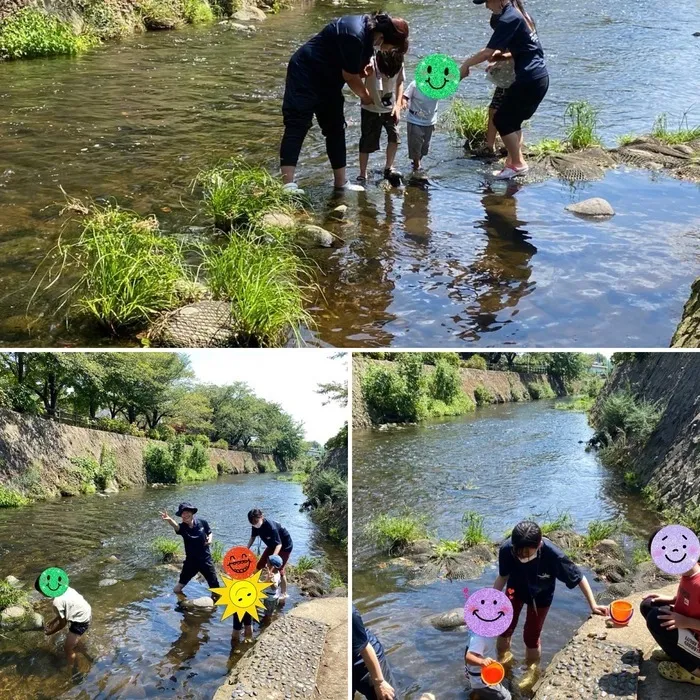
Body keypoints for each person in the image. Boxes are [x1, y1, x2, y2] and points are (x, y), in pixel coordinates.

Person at [280, 12, 409, 194]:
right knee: (297, 124)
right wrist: (365, 97)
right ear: (383, 37)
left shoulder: (368, 40)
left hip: (329, 80)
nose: (389, 51)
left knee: (335, 128)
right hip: (305, 74)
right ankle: (287, 185)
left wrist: (362, 72)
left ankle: (341, 183)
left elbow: (352, 70)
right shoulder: (354, 34)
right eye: (391, 46)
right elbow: (350, 77)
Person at [493, 521, 607, 691]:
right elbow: (503, 576)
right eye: (519, 551)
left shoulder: (553, 555)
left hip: (541, 595)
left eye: (527, 552)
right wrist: (490, 601)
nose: (522, 556)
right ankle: (503, 660)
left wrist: (593, 604)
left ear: (538, 545)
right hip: (514, 589)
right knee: (504, 626)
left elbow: (579, 577)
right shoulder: (507, 550)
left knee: (531, 636)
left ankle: (532, 670)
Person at [460, 0, 549, 179]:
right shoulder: (521, 15)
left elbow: (487, 52)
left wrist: (466, 65)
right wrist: (500, 56)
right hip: (538, 77)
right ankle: (512, 163)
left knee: (501, 120)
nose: (486, 6)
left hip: (528, 79)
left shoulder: (509, 17)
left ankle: (517, 164)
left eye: (486, 1)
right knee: (512, 121)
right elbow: (528, 48)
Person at [640, 527, 700, 686]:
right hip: (691, 631)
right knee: (648, 605)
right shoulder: (689, 574)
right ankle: (679, 653)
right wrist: (672, 599)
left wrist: (686, 622)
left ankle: (695, 671)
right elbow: (691, 601)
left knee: (655, 619)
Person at [357, 49, 406, 185]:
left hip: (390, 109)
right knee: (366, 141)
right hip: (370, 108)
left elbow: (400, 82)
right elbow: (355, 78)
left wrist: (397, 105)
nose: (388, 77)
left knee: (395, 137)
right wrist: (364, 95)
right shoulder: (371, 61)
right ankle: (362, 173)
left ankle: (389, 167)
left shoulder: (398, 61)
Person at [160, 502, 221, 600]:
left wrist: (210, 540)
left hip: (206, 561)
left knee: (216, 589)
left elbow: (209, 532)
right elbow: (176, 526)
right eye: (183, 513)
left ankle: (213, 608)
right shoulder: (182, 527)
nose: (185, 515)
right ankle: (181, 603)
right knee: (178, 588)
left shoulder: (202, 522)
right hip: (191, 562)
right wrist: (169, 519)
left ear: (192, 513)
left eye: (187, 512)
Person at [36, 577, 91, 666]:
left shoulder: (56, 602)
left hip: (80, 621)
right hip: (85, 611)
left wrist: (50, 632)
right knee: (73, 639)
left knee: (67, 648)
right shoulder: (66, 589)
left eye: (41, 592)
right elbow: (67, 607)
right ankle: (86, 655)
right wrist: (54, 620)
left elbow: (62, 624)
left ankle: (71, 669)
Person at [353, 605, 399, 700]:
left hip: (365, 657)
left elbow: (365, 648)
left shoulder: (350, 613)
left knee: (385, 696)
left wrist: (379, 682)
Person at [247, 508, 293, 600]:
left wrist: (273, 559)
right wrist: (246, 549)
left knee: (279, 569)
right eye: (252, 523)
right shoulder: (255, 525)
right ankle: (253, 584)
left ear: (261, 517)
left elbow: (279, 544)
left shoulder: (271, 527)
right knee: (260, 564)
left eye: (256, 521)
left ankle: (283, 593)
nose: (254, 524)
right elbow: (253, 537)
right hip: (272, 545)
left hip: (284, 546)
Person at [402, 77, 439, 177]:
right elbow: (405, 96)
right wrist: (404, 102)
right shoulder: (415, 84)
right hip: (415, 120)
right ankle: (417, 166)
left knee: (425, 147)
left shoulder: (439, 85)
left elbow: (450, 88)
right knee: (416, 145)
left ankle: (417, 161)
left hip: (430, 121)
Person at [465, 631, 512, 699]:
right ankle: (478, 691)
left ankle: (477, 693)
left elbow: (468, 650)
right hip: (482, 681)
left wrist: (467, 671)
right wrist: (482, 661)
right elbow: (469, 657)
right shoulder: (479, 638)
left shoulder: (477, 634)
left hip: (481, 677)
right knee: (507, 697)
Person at [262, 554, 284, 620]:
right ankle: (271, 617)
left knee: (268, 613)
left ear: (273, 566)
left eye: (267, 563)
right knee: (271, 610)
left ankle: (267, 623)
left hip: (270, 598)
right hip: (274, 596)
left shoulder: (274, 576)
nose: (266, 564)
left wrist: (270, 580)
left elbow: (274, 587)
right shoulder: (277, 572)